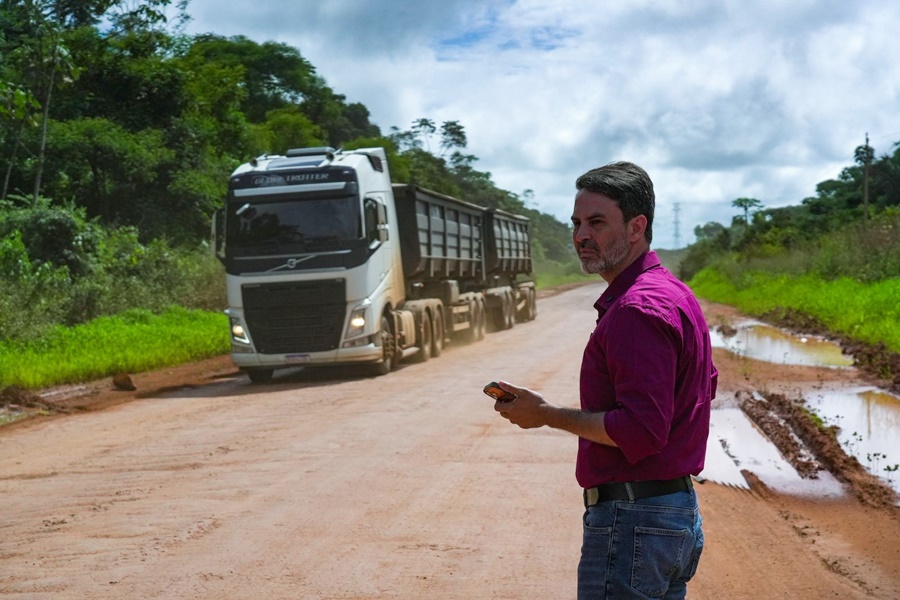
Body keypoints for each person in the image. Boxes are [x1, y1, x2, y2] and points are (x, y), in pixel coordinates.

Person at [493, 161, 717, 599]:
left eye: (597, 222)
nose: (581, 236)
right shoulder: (673, 293)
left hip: (634, 520)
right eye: (576, 223)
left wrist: (544, 415)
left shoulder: (637, 310)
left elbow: (641, 430)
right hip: (671, 516)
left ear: (637, 227)